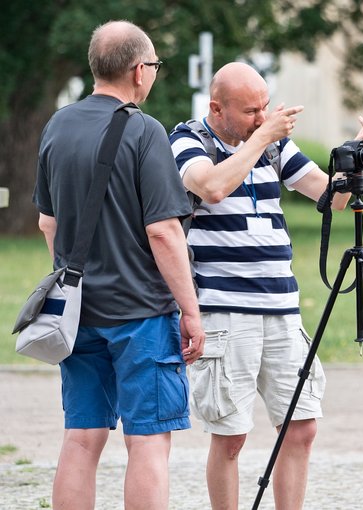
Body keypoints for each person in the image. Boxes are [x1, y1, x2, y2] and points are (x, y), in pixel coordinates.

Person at [169, 61, 363, 509]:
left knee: (302, 424)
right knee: (231, 435)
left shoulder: (270, 143)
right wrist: (261, 137)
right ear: (217, 107)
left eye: (266, 106)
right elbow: (211, 188)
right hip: (225, 310)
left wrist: (360, 150)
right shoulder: (187, 141)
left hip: (282, 308)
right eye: (252, 110)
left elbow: (333, 197)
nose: (263, 116)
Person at [33, 20, 205, 510]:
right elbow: (164, 232)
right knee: (148, 441)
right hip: (142, 315)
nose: (153, 75)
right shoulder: (144, 131)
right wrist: (190, 311)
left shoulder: (56, 126)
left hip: (78, 312)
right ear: (137, 70)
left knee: (82, 438)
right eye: (153, 66)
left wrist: (74, 282)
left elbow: (48, 223)